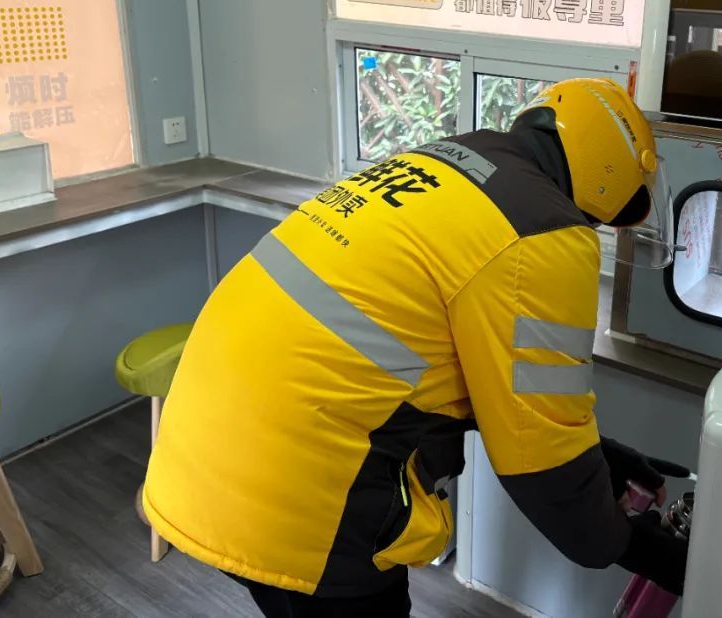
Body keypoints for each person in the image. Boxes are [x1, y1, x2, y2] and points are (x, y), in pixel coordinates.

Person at [143, 77, 690, 617]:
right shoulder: (542, 231)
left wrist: (600, 456)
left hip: (201, 448)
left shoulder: (445, 164)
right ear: (608, 177)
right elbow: (544, 464)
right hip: (299, 494)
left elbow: (451, 375)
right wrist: (644, 549)